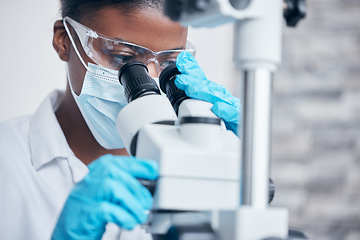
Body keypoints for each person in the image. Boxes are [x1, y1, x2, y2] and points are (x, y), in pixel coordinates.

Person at [0, 0, 240, 239]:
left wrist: (240, 175)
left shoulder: (195, 160)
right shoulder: (7, 161)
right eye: (124, 58)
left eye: (169, 64)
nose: (152, 80)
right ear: (64, 41)